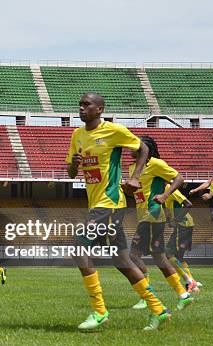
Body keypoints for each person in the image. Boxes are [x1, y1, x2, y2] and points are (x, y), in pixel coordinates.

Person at [66, 92, 170, 331]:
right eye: (80, 104)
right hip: (96, 203)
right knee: (122, 260)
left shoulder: (114, 131)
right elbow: (71, 173)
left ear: (100, 109)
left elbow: (143, 148)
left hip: (110, 203)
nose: (81, 108)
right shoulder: (77, 135)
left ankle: (100, 311)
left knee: (78, 247)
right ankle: (159, 309)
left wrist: (135, 178)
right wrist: (74, 163)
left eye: (87, 104)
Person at [127, 136, 194, 311]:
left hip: (153, 214)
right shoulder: (133, 167)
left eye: (136, 145)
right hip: (144, 215)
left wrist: (164, 196)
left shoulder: (156, 163)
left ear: (145, 149)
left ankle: (146, 295)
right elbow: (136, 192)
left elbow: (179, 179)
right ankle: (183, 294)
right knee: (159, 257)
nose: (131, 147)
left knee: (133, 255)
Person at [164, 185, 201, 292]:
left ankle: (190, 282)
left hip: (183, 225)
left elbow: (188, 204)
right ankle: (192, 283)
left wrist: (176, 220)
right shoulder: (165, 191)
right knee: (179, 257)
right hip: (185, 225)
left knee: (168, 253)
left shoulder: (169, 189)